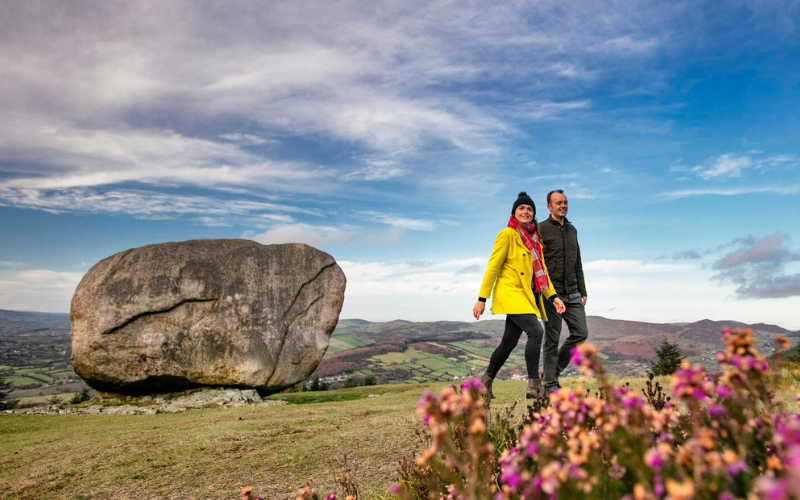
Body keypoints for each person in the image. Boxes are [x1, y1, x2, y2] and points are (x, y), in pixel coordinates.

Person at [473, 192, 566, 399]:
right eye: (522, 208)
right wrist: (482, 299)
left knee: (508, 343)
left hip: (526, 296)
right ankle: (534, 386)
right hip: (511, 293)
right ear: (514, 213)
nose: (526, 211)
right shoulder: (507, 235)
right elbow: (492, 268)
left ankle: (484, 385)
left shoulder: (535, 241)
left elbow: (542, 274)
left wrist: (553, 297)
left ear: (534, 214)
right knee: (536, 332)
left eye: (530, 209)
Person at [539, 189, 589, 394]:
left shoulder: (572, 230)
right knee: (552, 338)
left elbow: (577, 261)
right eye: (558, 203)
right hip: (552, 293)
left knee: (580, 333)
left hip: (573, 292)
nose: (563, 206)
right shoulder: (540, 229)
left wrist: (583, 290)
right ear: (549, 207)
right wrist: (544, 291)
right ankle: (549, 385)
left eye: (565, 202)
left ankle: (552, 373)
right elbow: (537, 263)